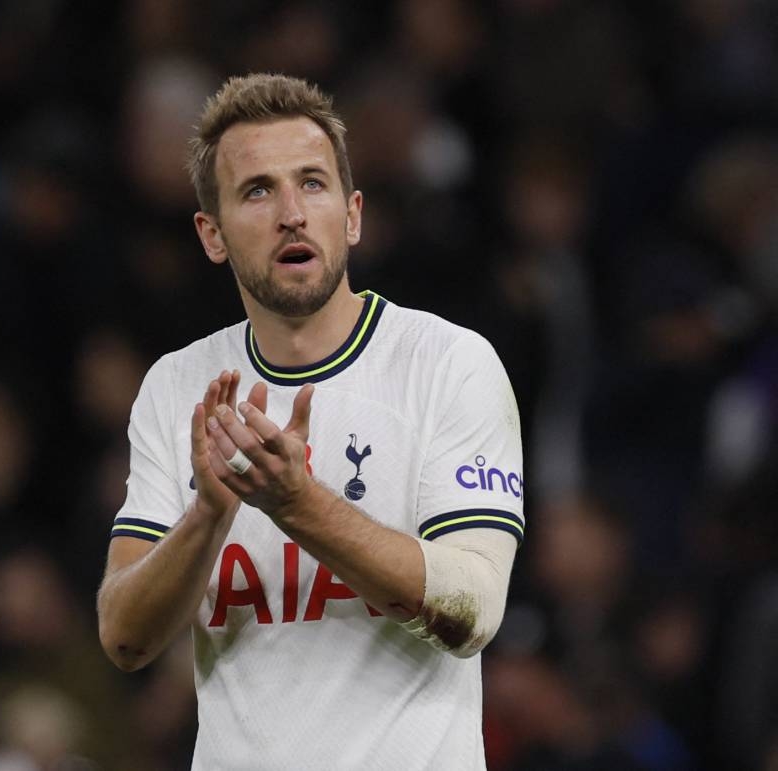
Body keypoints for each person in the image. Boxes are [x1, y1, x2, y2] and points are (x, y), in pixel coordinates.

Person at [97, 73, 525, 770]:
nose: (292, 212)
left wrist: (299, 505)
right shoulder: (177, 387)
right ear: (211, 233)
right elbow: (125, 636)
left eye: (313, 184)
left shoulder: (448, 363)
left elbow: (472, 608)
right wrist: (207, 513)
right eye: (258, 190)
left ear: (352, 216)